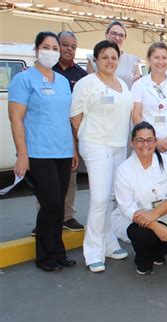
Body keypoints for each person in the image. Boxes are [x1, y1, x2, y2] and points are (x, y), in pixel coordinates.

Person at [8, 31, 77, 272]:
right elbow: (16, 119)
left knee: (59, 207)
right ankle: (45, 256)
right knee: (50, 203)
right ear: (37, 49)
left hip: (63, 151)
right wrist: (22, 154)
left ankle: (58, 253)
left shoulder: (61, 81)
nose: (52, 52)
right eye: (47, 47)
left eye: (55, 48)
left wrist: (74, 150)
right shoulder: (24, 80)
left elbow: (66, 119)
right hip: (39, 153)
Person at [71, 40, 133, 273]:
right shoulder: (87, 83)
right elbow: (75, 115)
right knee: (99, 198)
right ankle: (93, 251)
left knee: (110, 197)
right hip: (96, 145)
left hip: (118, 147)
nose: (110, 61)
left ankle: (108, 243)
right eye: (105, 57)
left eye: (114, 57)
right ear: (96, 59)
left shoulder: (122, 85)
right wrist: (84, 140)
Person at [113, 122, 167, 275]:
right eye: (140, 140)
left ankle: (157, 251)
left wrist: (154, 215)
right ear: (132, 143)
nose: (145, 144)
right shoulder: (124, 169)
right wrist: (154, 225)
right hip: (137, 219)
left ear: (156, 142)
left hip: (166, 215)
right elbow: (126, 207)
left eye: (150, 140)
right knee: (143, 234)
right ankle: (143, 259)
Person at [52, 31, 88, 232]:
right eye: (65, 45)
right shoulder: (46, 71)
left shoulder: (81, 76)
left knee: (70, 177)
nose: (69, 49)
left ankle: (66, 216)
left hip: (72, 134)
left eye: (73, 46)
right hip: (49, 133)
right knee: (48, 179)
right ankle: (46, 216)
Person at [131, 42, 167, 155]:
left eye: (164, 58)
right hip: (146, 144)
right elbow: (136, 115)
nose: (160, 62)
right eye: (156, 57)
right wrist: (153, 141)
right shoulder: (139, 85)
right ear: (149, 59)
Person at [86, 20, 141, 89]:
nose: (117, 38)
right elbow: (88, 86)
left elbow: (138, 87)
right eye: (114, 34)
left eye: (121, 35)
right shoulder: (93, 59)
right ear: (106, 34)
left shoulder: (132, 60)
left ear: (125, 38)